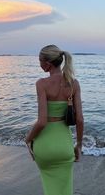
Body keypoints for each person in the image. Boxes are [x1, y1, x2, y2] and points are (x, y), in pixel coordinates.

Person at [25, 44, 84, 195]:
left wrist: (28, 138)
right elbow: (80, 120)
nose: (39, 64)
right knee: (64, 190)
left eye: (39, 60)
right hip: (64, 147)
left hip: (45, 148)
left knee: (50, 188)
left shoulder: (41, 84)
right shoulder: (74, 84)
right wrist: (78, 145)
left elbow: (42, 122)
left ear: (48, 64)